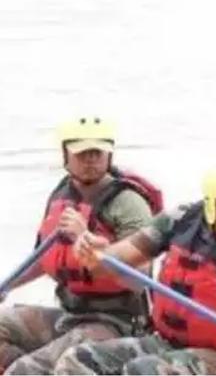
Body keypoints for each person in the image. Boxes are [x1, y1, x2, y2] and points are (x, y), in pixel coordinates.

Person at [55, 164, 216, 375]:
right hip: (166, 343)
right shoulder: (180, 220)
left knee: (143, 371)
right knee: (78, 359)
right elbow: (119, 258)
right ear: (212, 205)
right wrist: (98, 254)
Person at [0, 116, 161, 374]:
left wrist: (84, 239)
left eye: (97, 153)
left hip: (115, 322)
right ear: (65, 155)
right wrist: (7, 285)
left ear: (109, 155)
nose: (90, 161)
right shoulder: (62, 194)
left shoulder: (129, 203)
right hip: (70, 314)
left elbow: (138, 279)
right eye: (82, 154)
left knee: (27, 370)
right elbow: (43, 259)